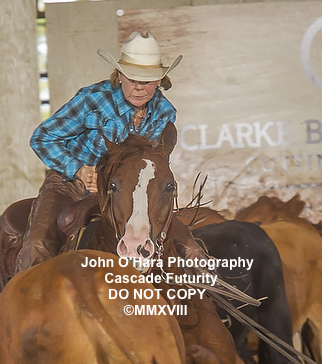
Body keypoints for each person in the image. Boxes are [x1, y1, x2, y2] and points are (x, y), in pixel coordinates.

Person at [18, 30, 203, 270]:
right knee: (38, 244)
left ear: (159, 81)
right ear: (119, 76)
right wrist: (79, 170)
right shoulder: (93, 99)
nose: (139, 88)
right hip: (70, 186)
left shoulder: (164, 112)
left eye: (147, 81)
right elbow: (43, 138)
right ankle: (30, 290)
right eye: (132, 79)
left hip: (125, 193)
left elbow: (149, 165)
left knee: (187, 248)